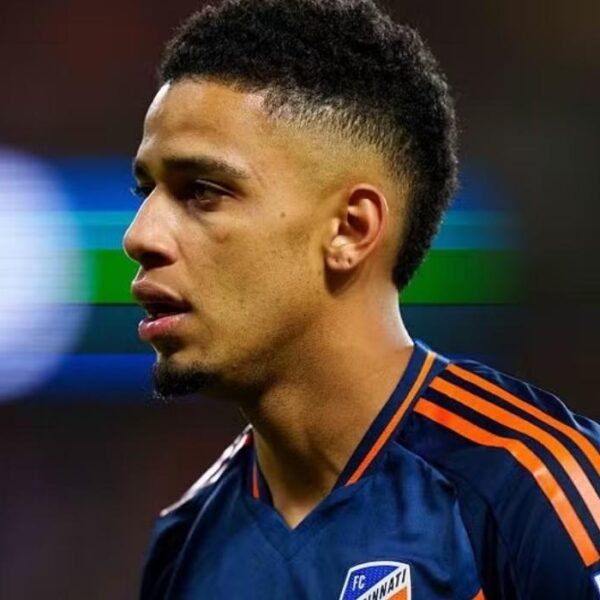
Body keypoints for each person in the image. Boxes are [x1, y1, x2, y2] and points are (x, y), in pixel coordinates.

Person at [123, 0, 600, 598]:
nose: (139, 236)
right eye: (146, 191)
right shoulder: (186, 545)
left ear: (350, 230)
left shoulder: (534, 488)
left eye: (203, 192)